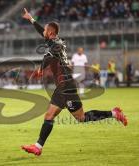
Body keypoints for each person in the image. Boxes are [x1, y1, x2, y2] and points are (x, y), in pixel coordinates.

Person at [21, 8, 128, 156]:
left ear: (51, 33)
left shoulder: (56, 45)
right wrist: (31, 19)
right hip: (62, 86)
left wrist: (40, 68)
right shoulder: (54, 40)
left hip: (66, 86)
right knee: (50, 116)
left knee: (81, 118)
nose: (43, 32)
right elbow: (43, 34)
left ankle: (114, 113)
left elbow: (47, 56)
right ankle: (38, 147)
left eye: (46, 30)